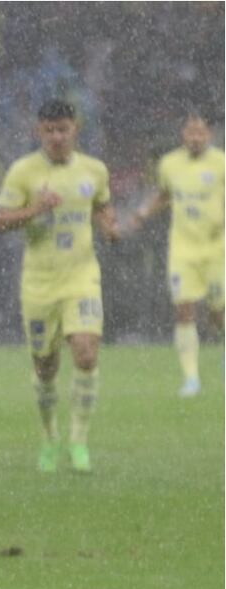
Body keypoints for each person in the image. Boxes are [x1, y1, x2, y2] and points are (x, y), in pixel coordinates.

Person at [0, 99, 118, 473]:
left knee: (85, 352)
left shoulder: (94, 170)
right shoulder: (24, 171)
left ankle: (79, 442)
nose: (57, 137)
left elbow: (100, 204)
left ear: (74, 129)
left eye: (63, 129)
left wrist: (110, 226)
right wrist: (35, 209)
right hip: (39, 282)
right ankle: (50, 438)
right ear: (39, 132)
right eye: (49, 130)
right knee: (46, 366)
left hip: (81, 276)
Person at [129, 112, 224, 397]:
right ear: (183, 134)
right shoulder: (169, 164)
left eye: (201, 132)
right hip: (183, 249)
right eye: (190, 132)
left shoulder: (221, 163)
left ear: (210, 134)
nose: (195, 137)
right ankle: (191, 378)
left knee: (218, 312)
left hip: (217, 249)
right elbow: (165, 194)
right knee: (184, 309)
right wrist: (143, 212)